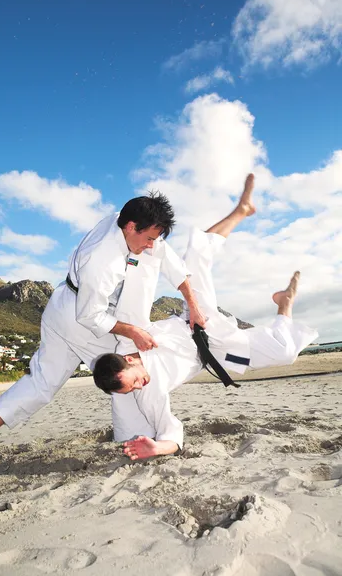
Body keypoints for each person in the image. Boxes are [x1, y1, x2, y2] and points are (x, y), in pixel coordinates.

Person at [0, 192, 206, 480]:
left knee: (42, 382)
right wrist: (133, 331)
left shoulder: (131, 222)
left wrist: (193, 306)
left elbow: (171, 262)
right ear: (131, 227)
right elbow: (90, 316)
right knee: (128, 363)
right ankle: (135, 439)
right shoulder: (101, 260)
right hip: (82, 319)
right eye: (149, 238)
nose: (152, 244)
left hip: (61, 306)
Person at [93, 175, 318, 460]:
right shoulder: (150, 392)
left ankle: (241, 211)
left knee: (195, 261)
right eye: (131, 389)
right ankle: (284, 303)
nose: (139, 387)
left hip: (198, 321)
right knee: (285, 353)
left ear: (128, 360)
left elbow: (134, 286)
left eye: (134, 381)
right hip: (217, 354)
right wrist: (157, 447)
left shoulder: (130, 337)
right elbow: (171, 432)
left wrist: (145, 255)